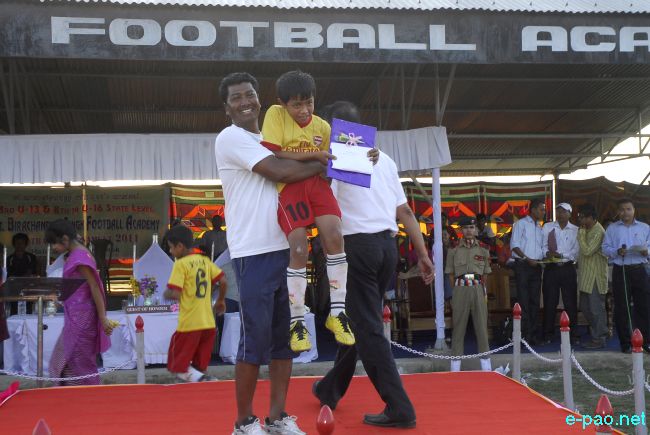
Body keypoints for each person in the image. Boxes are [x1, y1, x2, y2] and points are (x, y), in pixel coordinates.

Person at [312, 101, 433, 429]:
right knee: (359, 321)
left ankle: (399, 406)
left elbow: (326, 206)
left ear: (333, 128)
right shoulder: (386, 160)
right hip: (386, 248)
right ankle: (329, 388)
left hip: (357, 248)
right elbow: (405, 212)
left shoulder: (336, 158)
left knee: (367, 328)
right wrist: (423, 254)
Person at [215, 72, 323, 435]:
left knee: (284, 340)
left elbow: (301, 162)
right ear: (227, 108)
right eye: (236, 98)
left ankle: (277, 418)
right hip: (253, 252)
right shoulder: (231, 138)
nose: (245, 102)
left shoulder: (272, 138)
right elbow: (279, 170)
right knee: (254, 341)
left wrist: (350, 157)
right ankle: (244, 422)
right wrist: (324, 161)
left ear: (260, 99)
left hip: (285, 250)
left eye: (249, 94)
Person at [260, 70, 359, 352]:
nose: (304, 110)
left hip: (317, 185)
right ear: (282, 103)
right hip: (289, 188)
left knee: (335, 235)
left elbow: (333, 165)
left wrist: (365, 157)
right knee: (299, 249)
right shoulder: (275, 115)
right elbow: (274, 153)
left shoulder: (323, 127)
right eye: (296, 105)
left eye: (309, 103)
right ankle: (297, 322)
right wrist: (314, 155)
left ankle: (337, 313)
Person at [45, 219, 113, 386]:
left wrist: (103, 318)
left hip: (82, 319)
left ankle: (89, 398)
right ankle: (71, 398)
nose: (53, 248)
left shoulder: (80, 257)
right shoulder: (77, 253)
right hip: (74, 317)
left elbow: (95, 287)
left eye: (54, 243)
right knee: (63, 363)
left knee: (80, 364)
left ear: (65, 239)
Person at [162, 225, 226, 382]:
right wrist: (220, 300)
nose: (170, 251)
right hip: (208, 323)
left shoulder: (180, 264)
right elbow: (223, 280)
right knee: (200, 365)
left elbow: (176, 293)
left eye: (171, 247)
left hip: (190, 322)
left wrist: (166, 293)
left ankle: (200, 378)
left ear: (180, 246)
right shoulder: (205, 261)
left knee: (176, 362)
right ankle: (200, 379)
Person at [602, 198, 650, 353]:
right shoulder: (612, 228)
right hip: (621, 269)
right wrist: (616, 251)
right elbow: (605, 248)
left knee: (643, 305)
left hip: (640, 269)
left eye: (628, 209)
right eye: (622, 209)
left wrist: (646, 251)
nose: (625, 212)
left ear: (634, 210)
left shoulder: (645, 228)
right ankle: (626, 343)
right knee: (622, 307)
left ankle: (645, 341)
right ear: (618, 212)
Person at [445, 216, 493, 372]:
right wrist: (457, 290)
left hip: (478, 288)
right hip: (460, 289)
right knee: (458, 329)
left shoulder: (484, 249)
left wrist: (481, 290)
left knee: (482, 328)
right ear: (461, 230)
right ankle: (455, 369)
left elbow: (485, 274)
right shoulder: (453, 249)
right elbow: (451, 275)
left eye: (471, 228)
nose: (469, 231)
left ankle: (486, 368)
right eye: (465, 228)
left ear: (476, 229)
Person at [541, 202, 579, 345]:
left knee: (570, 302)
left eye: (564, 211)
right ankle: (548, 334)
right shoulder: (548, 227)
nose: (560, 214)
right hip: (551, 268)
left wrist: (561, 255)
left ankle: (573, 334)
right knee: (550, 301)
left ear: (569, 214)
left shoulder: (575, 230)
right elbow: (543, 245)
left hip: (568, 268)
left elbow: (576, 252)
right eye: (558, 211)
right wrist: (547, 253)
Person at [510, 197, 546, 345]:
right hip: (523, 266)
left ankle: (533, 335)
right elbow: (514, 246)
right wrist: (527, 258)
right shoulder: (521, 224)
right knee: (523, 301)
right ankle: (524, 335)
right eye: (541, 209)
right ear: (533, 209)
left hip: (536, 267)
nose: (543, 212)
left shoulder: (539, 227)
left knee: (535, 302)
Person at [577, 204, 609, 349]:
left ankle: (599, 338)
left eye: (582, 217)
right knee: (584, 307)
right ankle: (599, 331)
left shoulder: (598, 231)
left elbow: (587, 251)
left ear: (591, 217)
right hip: (585, 277)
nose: (580, 220)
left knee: (596, 309)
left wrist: (581, 235)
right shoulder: (586, 229)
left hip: (595, 277)